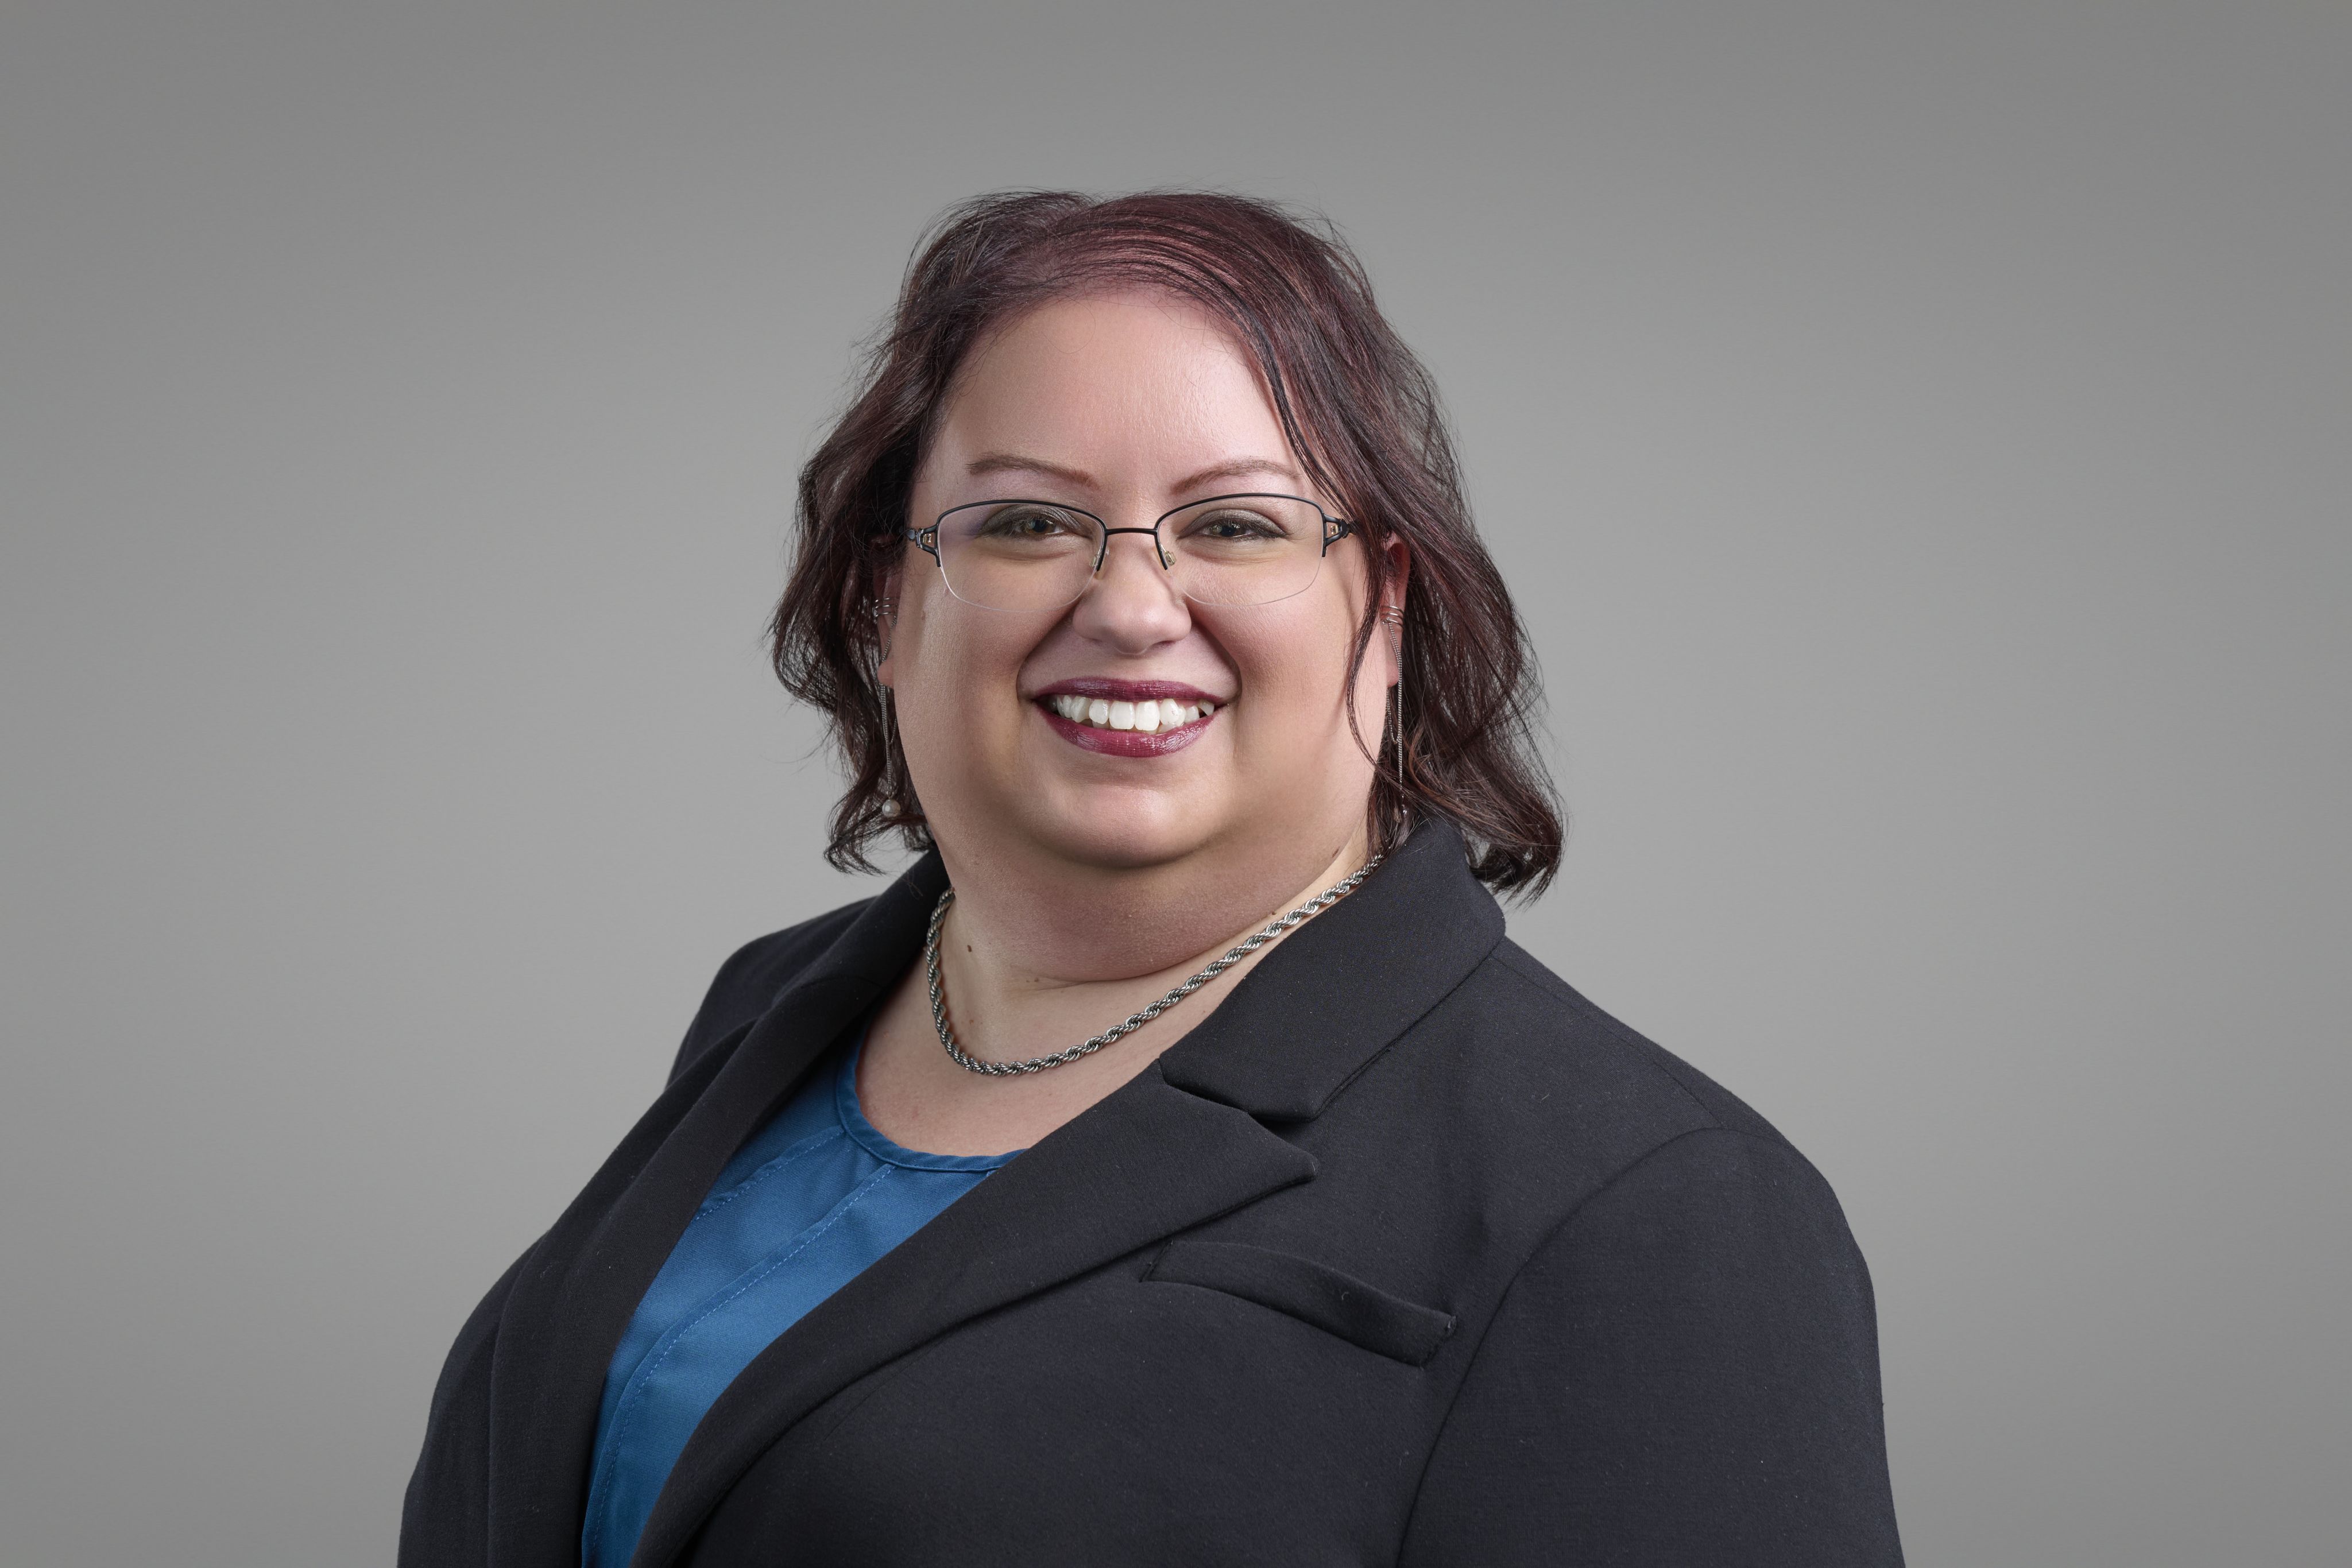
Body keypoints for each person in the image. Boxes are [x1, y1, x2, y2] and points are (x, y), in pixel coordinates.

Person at [400, 190, 1905, 1567]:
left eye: (1237, 524)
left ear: (1380, 608)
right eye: (1028, 520)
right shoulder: (778, 1008)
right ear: (887, 602)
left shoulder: (1659, 1208)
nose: (1129, 603)